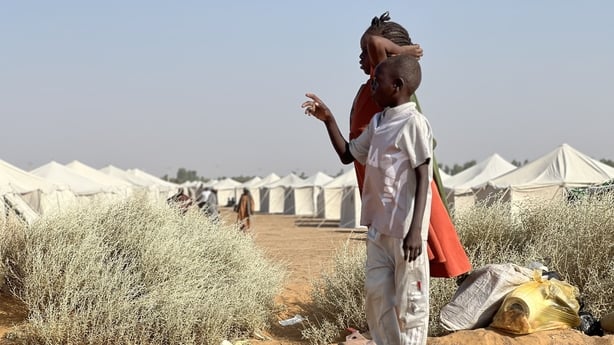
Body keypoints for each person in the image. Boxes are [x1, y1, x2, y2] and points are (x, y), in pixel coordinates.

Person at [302, 54, 431, 345]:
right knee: (378, 300)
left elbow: (424, 176)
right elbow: (349, 154)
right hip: (378, 229)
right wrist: (329, 120)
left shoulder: (413, 123)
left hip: (405, 232)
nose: (371, 86)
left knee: (411, 303)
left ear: (396, 86)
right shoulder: (378, 122)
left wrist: (415, 230)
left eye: (377, 82)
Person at [353, 12, 471, 279]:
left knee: (420, 245)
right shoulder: (373, 87)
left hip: (396, 180)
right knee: (393, 257)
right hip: (380, 179)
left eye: (364, 52)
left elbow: (374, 41)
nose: (362, 56)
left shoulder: (384, 82)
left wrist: (404, 52)